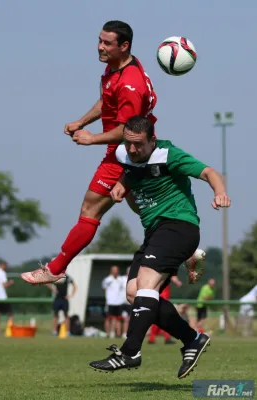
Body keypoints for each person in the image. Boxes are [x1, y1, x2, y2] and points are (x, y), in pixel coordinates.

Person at [21, 21, 203, 286]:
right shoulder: (118, 67)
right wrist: (82, 121)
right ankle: (186, 249)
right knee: (145, 208)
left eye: (107, 43)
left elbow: (128, 131)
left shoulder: (130, 84)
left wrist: (91, 138)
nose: (100, 47)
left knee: (91, 208)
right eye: (99, 40)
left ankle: (56, 268)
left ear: (124, 45)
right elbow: (107, 100)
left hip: (125, 152)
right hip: (127, 150)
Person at [89, 115, 231, 378]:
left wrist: (219, 192)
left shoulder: (168, 154)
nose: (133, 150)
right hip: (155, 232)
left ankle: (130, 352)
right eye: (128, 143)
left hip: (179, 226)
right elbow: (132, 175)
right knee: (134, 292)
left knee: (145, 283)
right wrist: (122, 184)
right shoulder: (125, 155)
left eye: (139, 145)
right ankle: (192, 339)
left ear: (152, 140)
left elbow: (209, 172)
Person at [148, 276, 182, 344]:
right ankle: (166, 338)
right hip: (163, 297)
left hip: (156, 297)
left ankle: (152, 338)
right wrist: (177, 282)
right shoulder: (165, 270)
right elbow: (172, 276)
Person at [102, 266, 123, 338]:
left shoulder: (120, 279)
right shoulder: (107, 279)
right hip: (110, 302)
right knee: (108, 318)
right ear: (111, 271)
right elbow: (104, 287)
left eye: (116, 270)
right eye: (114, 270)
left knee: (118, 318)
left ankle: (116, 333)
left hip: (118, 302)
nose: (115, 271)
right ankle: (107, 333)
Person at [120, 267, 131, 338]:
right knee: (125, 319)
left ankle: (128, 333)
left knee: (130, 319)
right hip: (123, 302)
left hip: (131, 303)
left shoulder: (135, 279)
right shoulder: (121, 279)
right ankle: (123, 333)